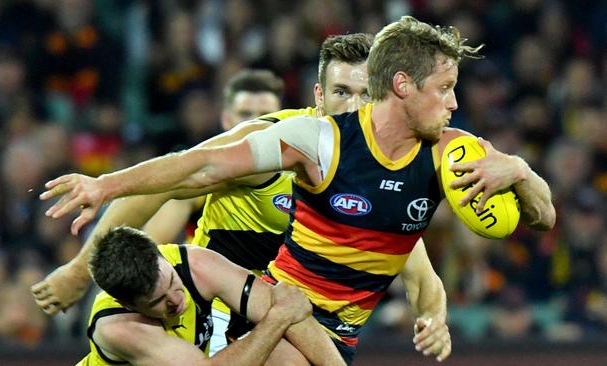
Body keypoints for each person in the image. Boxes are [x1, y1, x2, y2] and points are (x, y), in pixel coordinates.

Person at [37, 26, 551, 362]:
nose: (456, 102)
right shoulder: (307, 141)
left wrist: (520, 172)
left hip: (333, 329)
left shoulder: (448, 154)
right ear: (318, 97)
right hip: (245, 303)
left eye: (360, 94)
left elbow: (531, 223)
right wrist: (100, 197)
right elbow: (189, 174)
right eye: (445, 88)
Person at [77, 226, 345, 366]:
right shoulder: (120, 328)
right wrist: (277, 319)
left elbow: (285, 307)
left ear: (161, 255)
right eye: (157, 302)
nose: (174, 300)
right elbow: (281, 313)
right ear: (127, 304)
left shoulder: (195, 264)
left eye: (171, 281)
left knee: (287, 357)